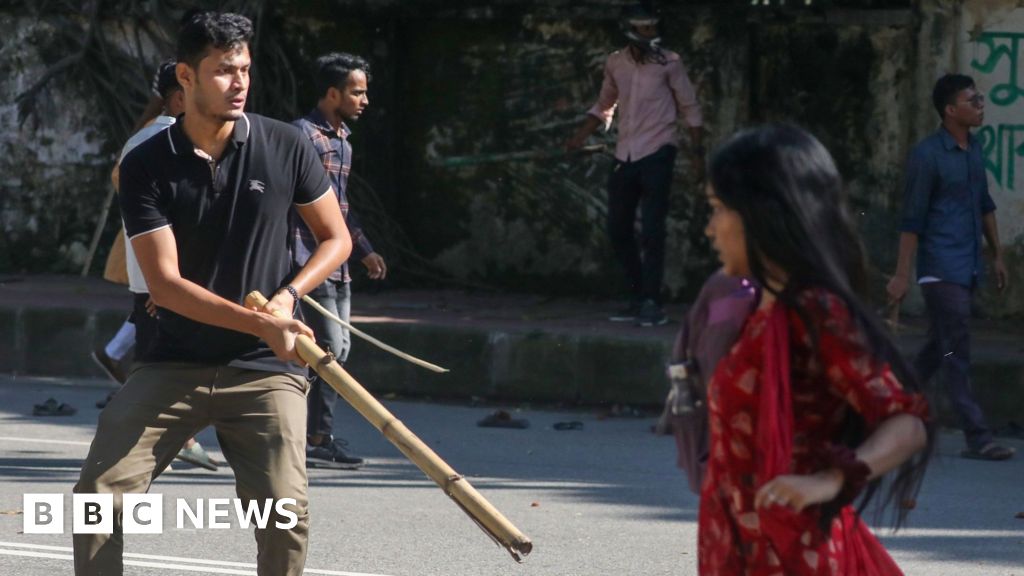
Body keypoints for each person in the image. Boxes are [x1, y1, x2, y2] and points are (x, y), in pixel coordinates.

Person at [73, 12, 350, 576]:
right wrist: (263, 323)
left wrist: (288, 296)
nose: (239, 82)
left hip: (264, 369)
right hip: (173, 359)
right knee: (96, 501)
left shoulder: (285, 144)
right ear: (186, 76)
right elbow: (167, 286)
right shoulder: (146, 163)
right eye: (224, 70)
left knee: (285, 515)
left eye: (244, 68)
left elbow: (335, 237)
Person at [700, 124, 932, 574]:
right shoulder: (761, 308)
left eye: (718, 209)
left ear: (763, 214)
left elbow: (908, 424)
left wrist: (831, 479)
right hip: (746, 548)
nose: (710, 228)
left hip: (794, 554)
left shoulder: (813, 309)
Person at [887, 73, 1015, 462]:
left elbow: (985, 204)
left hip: (967, 265)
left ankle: (882, 408)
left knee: (937, 348)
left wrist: (997, 254)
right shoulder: (927, 156)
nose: (980, 105)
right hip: (940, 267)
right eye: (971, 100)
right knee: (956, 350)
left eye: (980, 98)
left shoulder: (974, 149)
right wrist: (901, 275)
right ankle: (977, 435)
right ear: (949, 110)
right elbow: (912, 220)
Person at [566, 2, 704, 327]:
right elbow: (604, 105)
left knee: (653, 231)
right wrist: (580, 136)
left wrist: (698, 154)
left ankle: (652, 302)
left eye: (653, 26)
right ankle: (638, 296)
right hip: (625, 156)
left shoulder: (670, 63)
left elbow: (690, 108)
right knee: (618, 229)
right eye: (644, 27)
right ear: (629, 30)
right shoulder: (616, 63)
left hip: (658, 153)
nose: (651, 32)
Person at [290, 52, 386, 469]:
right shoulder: (302, 136)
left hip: (339, 260)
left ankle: (314, 435)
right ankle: (311, 437)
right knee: (326, 348)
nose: (364, 100)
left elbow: (339, 207)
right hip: (309, 259)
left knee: (337, 350)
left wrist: (364, 250)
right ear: (332, 94)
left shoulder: (343, 140)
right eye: (356, 92)